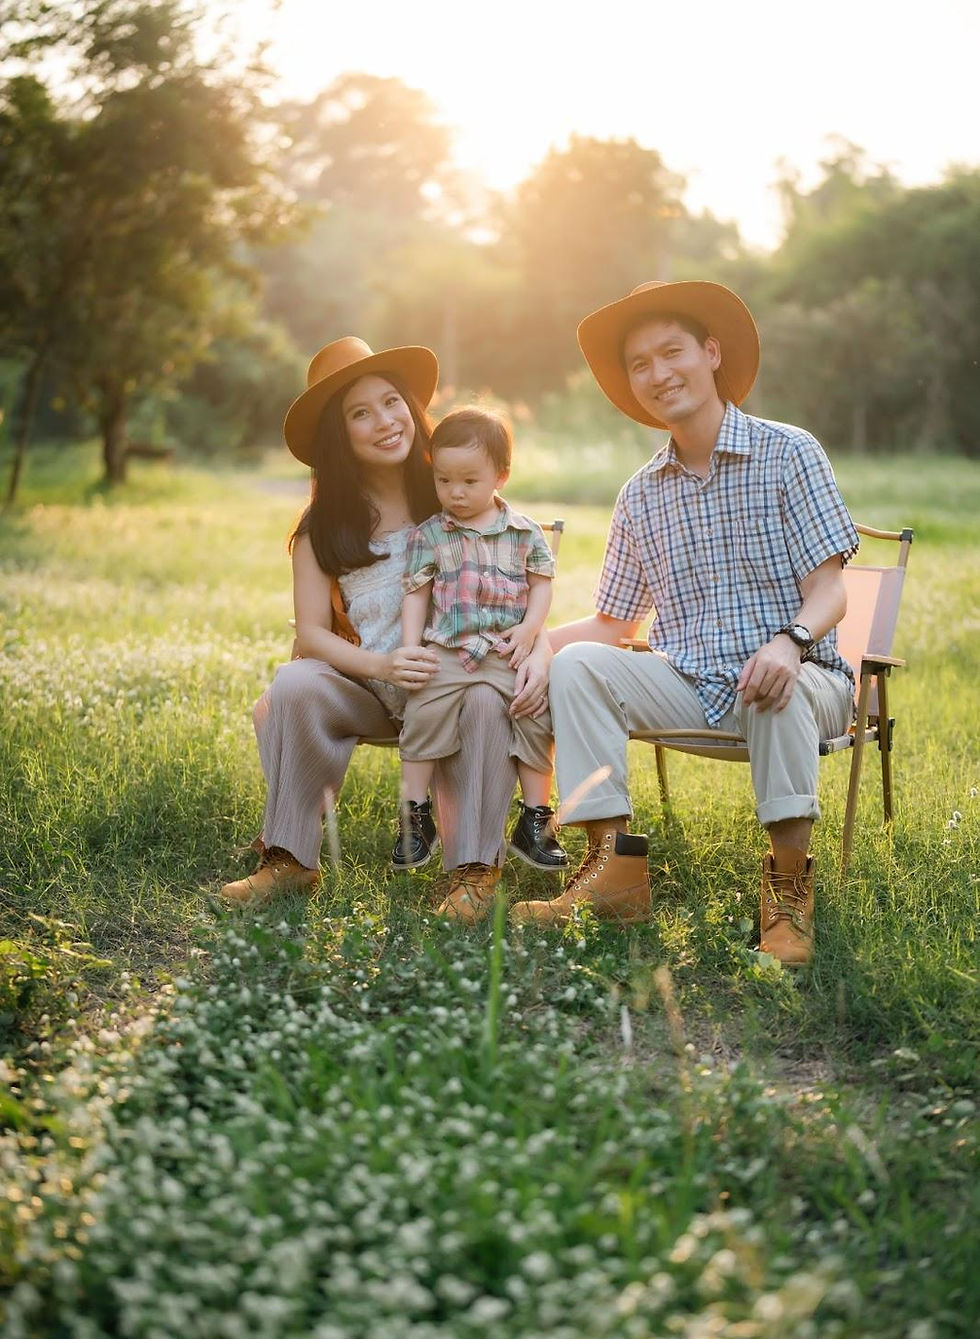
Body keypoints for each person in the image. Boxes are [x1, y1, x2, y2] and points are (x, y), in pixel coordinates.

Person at [511, 281, 858, 965]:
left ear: (711, 352)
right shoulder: (640, 493)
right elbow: (612, 626)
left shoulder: (790, 452)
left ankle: (787, 891)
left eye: (671, 352)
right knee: (578, 664)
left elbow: (831, 591)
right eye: (639, 364)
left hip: (803, 679)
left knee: (773, 682)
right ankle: (613, 870)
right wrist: (523, 648)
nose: (658, 373)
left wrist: (790, 643)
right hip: (690, 684)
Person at [219, 337, 549, 913]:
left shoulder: (456, 492)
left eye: (392, 401)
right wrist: (381, 664)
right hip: (372, 688)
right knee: (293, 683)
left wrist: (539, 649)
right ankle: (290, 859)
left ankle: (473, 870)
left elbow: (518, 590)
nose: (385, 421)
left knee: (483, 699)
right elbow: (311, 635)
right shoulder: (324, 528)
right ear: (339, 436)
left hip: (457, 680)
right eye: (360, 413)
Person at [394, 408, 567, 905]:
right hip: (448, 648)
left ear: (501, 476)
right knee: (422, 709)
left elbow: (541, 587)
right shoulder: (431, 534)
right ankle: (414, 816)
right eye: (444, 479)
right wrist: (411, 646)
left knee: (534, 711)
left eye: (470, 480)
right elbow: (416, 592)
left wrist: (531, 632)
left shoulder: (523, 531)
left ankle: (536, 819)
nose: (456, 492)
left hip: (506, 649)